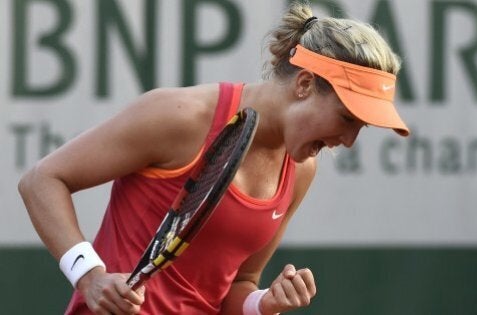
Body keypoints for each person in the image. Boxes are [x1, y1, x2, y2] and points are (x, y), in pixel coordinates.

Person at [18, 2, 409, 314]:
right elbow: (42, 180)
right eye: (346, 119)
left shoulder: (302, 170)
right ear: (305, 83)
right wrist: (89, 276)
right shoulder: (180, 116)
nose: (349, 140)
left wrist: (265, 303)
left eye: (362, 128)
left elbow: (238, 286)